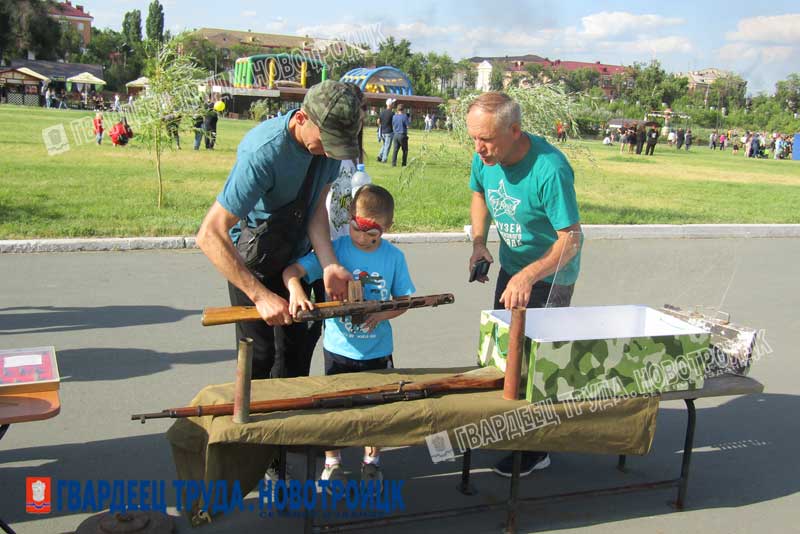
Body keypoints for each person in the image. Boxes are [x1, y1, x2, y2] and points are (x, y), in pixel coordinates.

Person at [195, 79, 359, 386]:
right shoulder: (264, 152)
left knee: (297, 352)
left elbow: (315, 210)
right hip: (253, 263)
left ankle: (290, 427)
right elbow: (209, 234)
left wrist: (329, 264)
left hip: (294, 260)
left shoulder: (328, 152)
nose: (331, 152)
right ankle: (254, 429)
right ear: (301, 118)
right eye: (327, 141)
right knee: (260, 356)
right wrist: (260, 297)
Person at [466, 92, 581, 478]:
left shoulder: (550, 169)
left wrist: (530, 275)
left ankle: (536, 448)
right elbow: (479, 191)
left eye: (487, 139)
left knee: (536, 363)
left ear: (514, 130)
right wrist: (480, 244)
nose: (479, 148)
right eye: (474, 139)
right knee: (503, 349)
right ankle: (508, 425)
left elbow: (572, 238)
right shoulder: (486, 156)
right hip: (514, 266)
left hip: (550, 275)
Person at [283, 184, 414, 487]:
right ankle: (332, 463)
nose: (363, 239)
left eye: (373, 234)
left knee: (376, 411)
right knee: (335, 410)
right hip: (339, 349)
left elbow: (405, 300)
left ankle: (372, 461)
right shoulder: (335, 251)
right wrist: (295, 290)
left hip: (377, 349)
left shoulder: (394, 257)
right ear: (349, 218)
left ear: (388, 228)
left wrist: (382, 313)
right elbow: (292, 272)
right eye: (358, 228)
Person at [376, 99, 394, 163]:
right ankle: (384, 159)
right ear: (390, 105)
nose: (393, 105)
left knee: (384, 145)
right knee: (387, 146)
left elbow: (378, 121)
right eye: (393, 103)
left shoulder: (382, 112)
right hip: (389, 132)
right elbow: (394, 123)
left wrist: (382, 126)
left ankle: (380, 156)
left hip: (383, 131)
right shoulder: (392, 113)